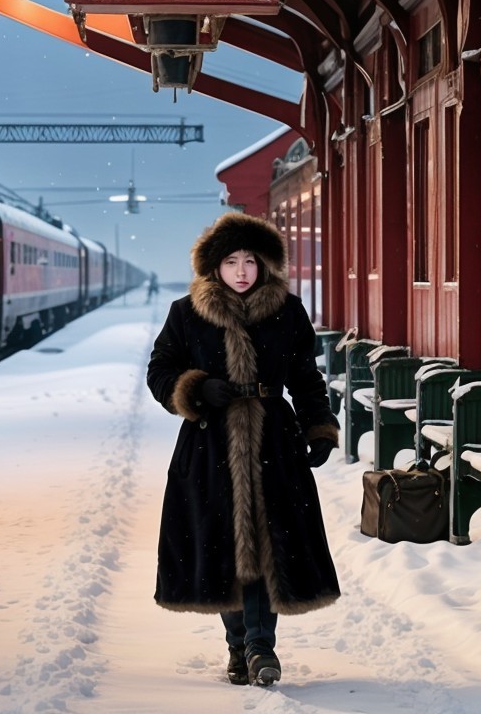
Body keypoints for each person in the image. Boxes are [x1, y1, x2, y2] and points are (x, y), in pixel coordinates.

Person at [145, 212, 340, 687]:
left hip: (274, 440)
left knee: (268, 543)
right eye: (231, 261)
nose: (241, 271)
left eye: (250, 261)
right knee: (223, 549)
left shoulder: (288, 310)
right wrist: (196, 388)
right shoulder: (185, 312)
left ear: (265, 264)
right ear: (213, 266)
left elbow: (306, 377)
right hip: (209, 443)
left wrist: (318, 427)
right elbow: (159, 372)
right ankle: (239, 646)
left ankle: (259, 646)